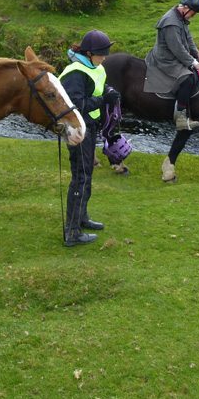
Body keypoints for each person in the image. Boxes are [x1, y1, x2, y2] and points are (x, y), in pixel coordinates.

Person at [58, 29, 120, 247]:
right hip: (76, 129)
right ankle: (72, 231)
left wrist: (109, 91)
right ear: (89, 52)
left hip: (90, 127)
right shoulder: (75, 73)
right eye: (101, 54)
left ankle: (82, 217)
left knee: (87, 174)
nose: (104, 58)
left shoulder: (96, 67)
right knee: (80, 176)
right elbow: (78, 106)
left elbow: (100, 87)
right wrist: (104, 99)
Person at [144, 0, 199, 131]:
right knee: (188, 78)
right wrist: (194, 63)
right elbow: (177, 49)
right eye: (193, 13)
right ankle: (180, 118)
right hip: (166, 59)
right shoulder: (171, 22)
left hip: (174, 56)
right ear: (185, 8)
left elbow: (188, 39)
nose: (194, 16)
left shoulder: (180, 18)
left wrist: (198, 54)